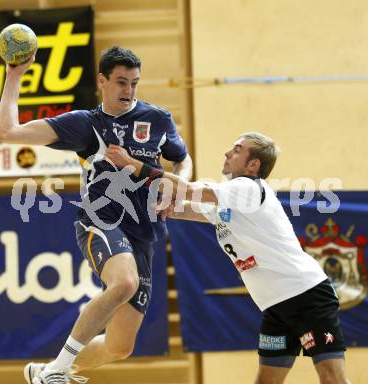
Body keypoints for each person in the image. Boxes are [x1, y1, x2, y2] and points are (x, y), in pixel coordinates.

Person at [0, 46, 192, 384]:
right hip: (101, 220)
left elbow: (182, 160)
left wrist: (178, 186)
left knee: (120, 346)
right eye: (120, 82)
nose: (128, 91)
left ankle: (44, 371)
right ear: (102, 81)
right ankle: (57, 372)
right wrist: (13, 78)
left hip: (144, 233)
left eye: (134, 83)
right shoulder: (85, 125)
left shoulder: (158, 118)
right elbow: (9, 132)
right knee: (124, 283)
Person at [104, 132, 351, 384]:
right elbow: (180, 207)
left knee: (332, 379)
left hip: (306, 296)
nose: (227, 153)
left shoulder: (247, 188)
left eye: (237, 149)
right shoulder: (230, 201)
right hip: (276, 306)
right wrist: (133, 199)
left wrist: (133, 164)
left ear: (253, 164)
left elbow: (187, 190)